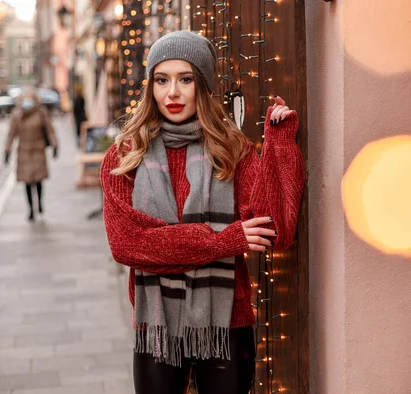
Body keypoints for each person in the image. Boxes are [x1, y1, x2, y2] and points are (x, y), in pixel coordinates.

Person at [100, 31, 305, 394]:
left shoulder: (233, 150)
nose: (172, 92)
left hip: (226, 322)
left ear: (204, 85)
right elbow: (128, 244)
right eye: (162, 80)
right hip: (157, 328)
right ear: (151, 87)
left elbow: (275, 230)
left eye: (186, 79)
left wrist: (278, 146)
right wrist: (225, 240)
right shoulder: (124, 157)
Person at [4, 90, 58, 221]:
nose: (28, 102)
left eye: (30, 99)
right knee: (27, 181)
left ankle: (39, 203)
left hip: (38, 149)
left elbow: (49, 131)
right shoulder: (17, 115)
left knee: (38, 180)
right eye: (25, 99)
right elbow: (11, 134)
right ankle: (31, 209)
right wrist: (7, 150)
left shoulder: (41, 113)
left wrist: (55, 145)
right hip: (24, 151)